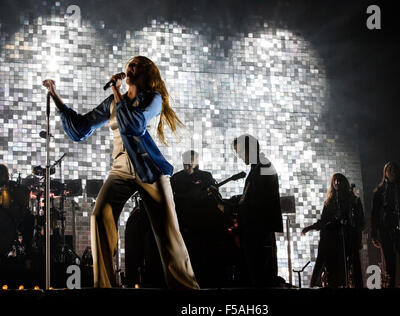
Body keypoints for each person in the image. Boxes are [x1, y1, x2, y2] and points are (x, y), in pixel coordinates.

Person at [43, 56, 199, 289]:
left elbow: (133, 125)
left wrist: (116, 90)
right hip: (120, 169)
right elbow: (81, 130)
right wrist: (56, 98)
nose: (129, 68)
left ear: (146, 73)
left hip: (149, 169)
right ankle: (104, 286)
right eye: (129, 65)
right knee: (99, 215)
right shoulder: (113, 102)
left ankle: (185, 287)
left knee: (168, 230)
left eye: (135, 65)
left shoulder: (152, 99)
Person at [216, 134, 283, 287]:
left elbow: (257, 203)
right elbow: (254, 197)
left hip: (258, 232)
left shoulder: (263, 168)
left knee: (258, 277)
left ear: (249, 149)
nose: (239, 156)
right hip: (257, 231)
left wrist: (228, 207)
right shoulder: (260, 167)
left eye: (240, 152)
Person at [171, 150, 229, 287]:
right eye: (185, 159)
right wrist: (187, 197)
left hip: (204, 224)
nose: (188, 163)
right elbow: (171, 199)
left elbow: (215, 197)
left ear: (196, 162)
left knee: (205, 255)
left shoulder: (206, 176)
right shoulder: (176, 178)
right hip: (184, 224)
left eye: (191, 160)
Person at [302, 173, 365, 288]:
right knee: (332, 269)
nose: (337, 183)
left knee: (350, 267)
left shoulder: (353, 200)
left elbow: (360, 221)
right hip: (331, 239)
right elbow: (324, 221)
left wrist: (358, 237)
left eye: (339, 180)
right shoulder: (330, 202)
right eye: (334, 181)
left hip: (348, 238)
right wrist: (310, 227)